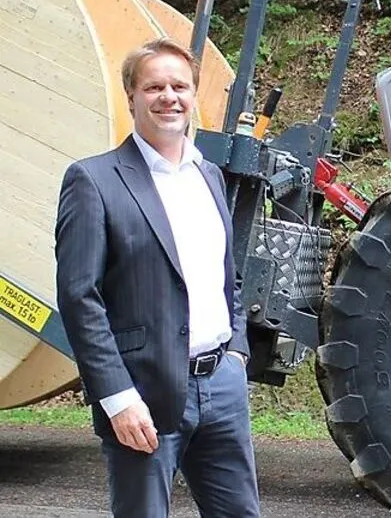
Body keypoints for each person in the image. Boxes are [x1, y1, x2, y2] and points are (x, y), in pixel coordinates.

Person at [55, 38, 259, 517]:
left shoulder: (208, 175)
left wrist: (237, 352)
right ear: (131, 97)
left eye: (179, 86)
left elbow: (226, 275)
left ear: (192, 97)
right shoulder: (94, 181)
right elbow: (79, 298)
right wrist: (117, 398)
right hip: (143, 393)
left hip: (222, 386)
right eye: (154, 87)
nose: (169, 96)